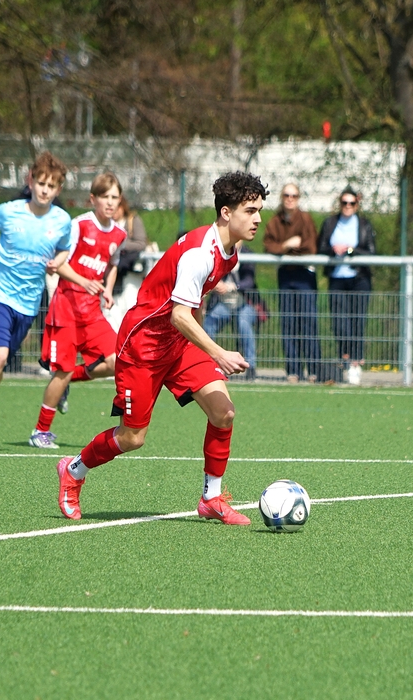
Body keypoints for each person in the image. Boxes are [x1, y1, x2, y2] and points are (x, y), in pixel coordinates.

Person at [54, 171, 269, 526]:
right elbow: (179, 315)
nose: (258, 218)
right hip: (144, 346)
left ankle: (211, 499)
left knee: (224, 413)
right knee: (132, 437)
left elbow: (192, 305)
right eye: (250, 210)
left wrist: (203, 343)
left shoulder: (231, 250)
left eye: (259, 210)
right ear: (226, 213)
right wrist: (218, 353)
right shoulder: (200, 254)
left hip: (178, 343)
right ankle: (73, 470)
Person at [0, 152, 72, 451]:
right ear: (30, 181)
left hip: (29, 302)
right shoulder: (9, 211)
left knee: (0, 365)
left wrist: (57, 262)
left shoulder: (61, 220)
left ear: (58, 190)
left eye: (51, 186)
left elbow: (65, 249)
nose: (45, 190)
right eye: (41, 183)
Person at [29, 172, 128, 449]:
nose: (110, 202)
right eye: (105, 197)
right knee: (61, 372)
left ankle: (70, 379)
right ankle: (40, 432)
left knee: (118, 360)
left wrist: (108, 289)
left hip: (92, 312)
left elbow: (112, 264)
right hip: (66, 309)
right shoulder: (79, 225)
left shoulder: (119, 234)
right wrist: (84, 281)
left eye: (115, 197)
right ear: (93, 199)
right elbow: (58, 263)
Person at [263, 183, 322, 382]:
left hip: (305, 275)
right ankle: (293, 370)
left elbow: (310, 246)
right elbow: (269, 245)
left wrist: (287, 250)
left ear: (298, 198)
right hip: (285, 276)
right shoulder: (275, 221)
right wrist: (287, 245)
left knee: (308, 322)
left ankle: (313, 370)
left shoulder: (305, 219)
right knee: (288, 323)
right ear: (282, 197)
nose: (290, 199)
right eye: (287, 195)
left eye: (294, 195)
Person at [317, 187, 376, 385]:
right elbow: (321, 247)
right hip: (337, 278)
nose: (348, 206)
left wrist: (351, 250)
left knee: (357, 320)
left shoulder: (364, 224)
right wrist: (333, 250)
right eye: (344, 203)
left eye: (352, 203)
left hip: (359, 278)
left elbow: (371, 252)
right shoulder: (330, 223)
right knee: (339, 323)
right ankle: (345, 357)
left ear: (357, 204)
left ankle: (356, 363)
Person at [203, 245, 259, 381]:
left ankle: (250, 366)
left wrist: (232, 286)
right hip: (223, 303)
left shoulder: (247, 253)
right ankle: (208, 363)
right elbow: (209, 275)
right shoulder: (220, 251)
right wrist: (216, 284)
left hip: (244, 301)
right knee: (209, 322)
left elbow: (249, 281)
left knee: (244, 322)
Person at [104, 195, 150, 331]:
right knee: (112, 313)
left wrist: (120, 243)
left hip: (130, 271)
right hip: (111, 272)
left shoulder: (132, 220)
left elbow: (141, 243)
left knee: (128, 306)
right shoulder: (106, 222)